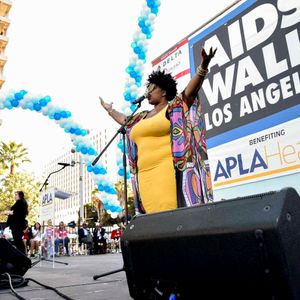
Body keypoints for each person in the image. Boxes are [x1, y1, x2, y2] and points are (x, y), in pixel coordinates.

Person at [100, 47, 216, 214]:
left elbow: (189, 93)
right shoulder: (140, 117)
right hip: (144, 176)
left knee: (168, 215)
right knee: (151, 219)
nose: (147, 93)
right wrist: (110, 110)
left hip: (165, 171)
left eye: (151, 89)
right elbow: (125, 121)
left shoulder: (172, 109)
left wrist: (203, 66)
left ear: (163, 91)